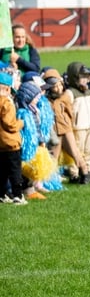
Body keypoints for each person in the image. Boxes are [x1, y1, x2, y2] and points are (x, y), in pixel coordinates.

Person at [66, 62, 90, 184]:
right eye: (82, 77)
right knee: (77, 150)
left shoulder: (89, 93)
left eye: (87, 77)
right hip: (78, 127)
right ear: (74, 77)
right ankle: (74, 173)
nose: (85, 80)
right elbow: (68, 112)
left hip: (89, 126)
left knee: (89, 150)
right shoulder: (70, 93)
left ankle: (89, 170)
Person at [0, 70, 26, 204]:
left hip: (1, 144)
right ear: (7, 88)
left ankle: (2, 194)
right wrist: (21, 123)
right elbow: (10, 125)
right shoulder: (6, 103)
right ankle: (18, 195)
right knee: (15, 171)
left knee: (2, 172)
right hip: (11, 144)